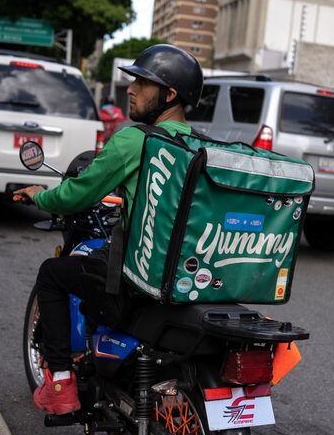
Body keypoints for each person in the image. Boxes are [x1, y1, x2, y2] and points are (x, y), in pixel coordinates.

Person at [13, 45, 204, 415]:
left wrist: (41, 196)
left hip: (136, 279)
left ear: (169, 95)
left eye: (142, 83)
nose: (130, 89)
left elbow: (77, 194)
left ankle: (61, 383)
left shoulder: (137, 140)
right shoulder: (199, 145)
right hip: (185, 277)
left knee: (52, 274)